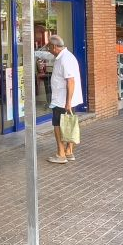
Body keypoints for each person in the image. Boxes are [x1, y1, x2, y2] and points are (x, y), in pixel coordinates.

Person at [46, 34, 83, 164]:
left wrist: (68, 102)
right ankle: (69, 151)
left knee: (58, 125)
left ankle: (61, 154)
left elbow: (70, 81)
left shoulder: (65, 59)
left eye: (49, 46)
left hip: (62, 100)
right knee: (69, 124)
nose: (48, 49)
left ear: (54, 46)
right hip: (65, 99)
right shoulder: (65, 56)